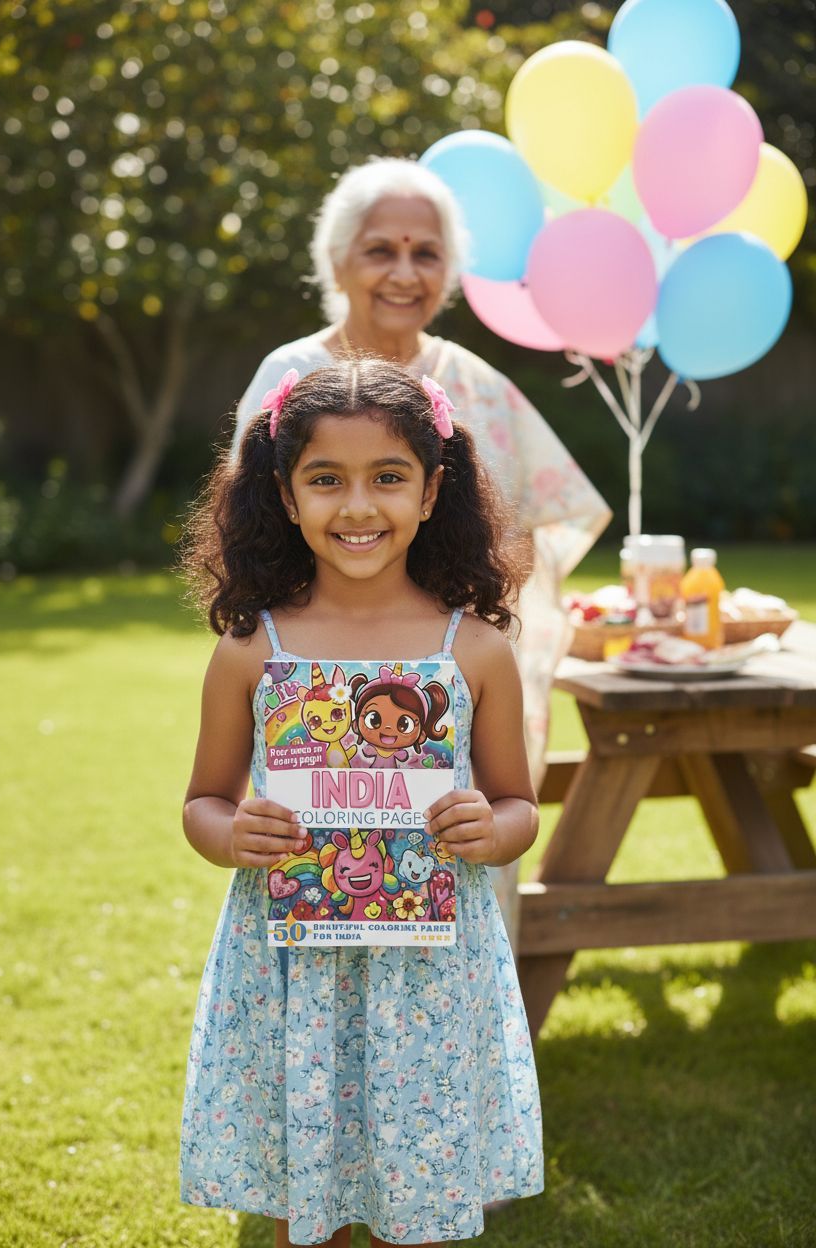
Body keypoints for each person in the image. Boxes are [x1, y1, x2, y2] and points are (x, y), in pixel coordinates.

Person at [180, 359, 544, 1247]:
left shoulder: (477, 647)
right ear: (284, 492)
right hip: (291, 967)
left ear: (432, 492)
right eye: (326, 480)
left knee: (412, 1187)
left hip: (429, 968)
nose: (357, 507)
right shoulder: (251, 647)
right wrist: (235, 835)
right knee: (300, 1195)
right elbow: (202, 802)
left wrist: (488, 830)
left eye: (388, 478)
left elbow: (519, 806)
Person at [231, 157, 611, 941]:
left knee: (459, 883)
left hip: (451, 698)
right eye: (381, 249)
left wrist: (455, 641)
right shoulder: (292, 375)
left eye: (426, 252)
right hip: (320, 700)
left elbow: (532, 534)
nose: (405, 272)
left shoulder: (476, 384)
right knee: (326, 892)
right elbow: (252, 533)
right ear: (336, 260)